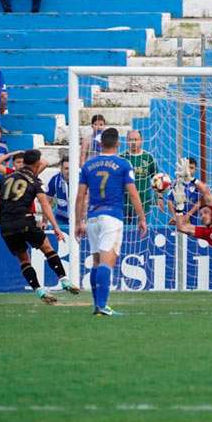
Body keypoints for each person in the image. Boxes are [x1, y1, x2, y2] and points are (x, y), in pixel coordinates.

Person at [0, 149, 79, 303]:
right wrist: (56, 227)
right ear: (36, 164)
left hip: (6, 227)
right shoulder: (34, 181)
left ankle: (39, 290)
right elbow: (45, 204)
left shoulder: (6, 177)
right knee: (47, 248)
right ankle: (64, 279)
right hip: (25, 221)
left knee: (23, 260)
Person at [75, 128, 147, 316]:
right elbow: (132, 193)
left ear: (100, 144)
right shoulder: (123, 164)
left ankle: (96, 304)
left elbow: (80, 195)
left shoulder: (88, 165)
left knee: (97, 262)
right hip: (112, 217)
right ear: (118, 144)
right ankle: (102, 305)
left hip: (92, 218)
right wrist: (142, 218)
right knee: (108, 262)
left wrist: (77, 222)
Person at [121, 130, 158, 222]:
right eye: (130, 140)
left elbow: (157, 179)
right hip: (125, 203)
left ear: (141, 140)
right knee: (125, 233)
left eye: (136, 139)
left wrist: (159, 198)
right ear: (126, 141)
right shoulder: (121, 158)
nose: (133, 142)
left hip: (143, 202)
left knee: (142, 231)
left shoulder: (148, 157)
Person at [167, 157, 201, 225]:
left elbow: (199, 202)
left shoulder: (197, 184)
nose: (189, 170)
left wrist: (188, 215)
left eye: (192, 168)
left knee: (191, 234)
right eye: (188, 167)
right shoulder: (176, 183)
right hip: (178, 218)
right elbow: (169, 201)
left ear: (195, 170)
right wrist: (174, 216)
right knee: (179, 233)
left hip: (193, 218)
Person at [45, 157, 69, 227]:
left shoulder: (80, 179)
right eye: (66, 168)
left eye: (71, 168)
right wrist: (44, 221)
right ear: (61, 169)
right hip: (61, 216)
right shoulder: (55, 180)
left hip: (78, 216)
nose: (69, 171)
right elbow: (47, 202)